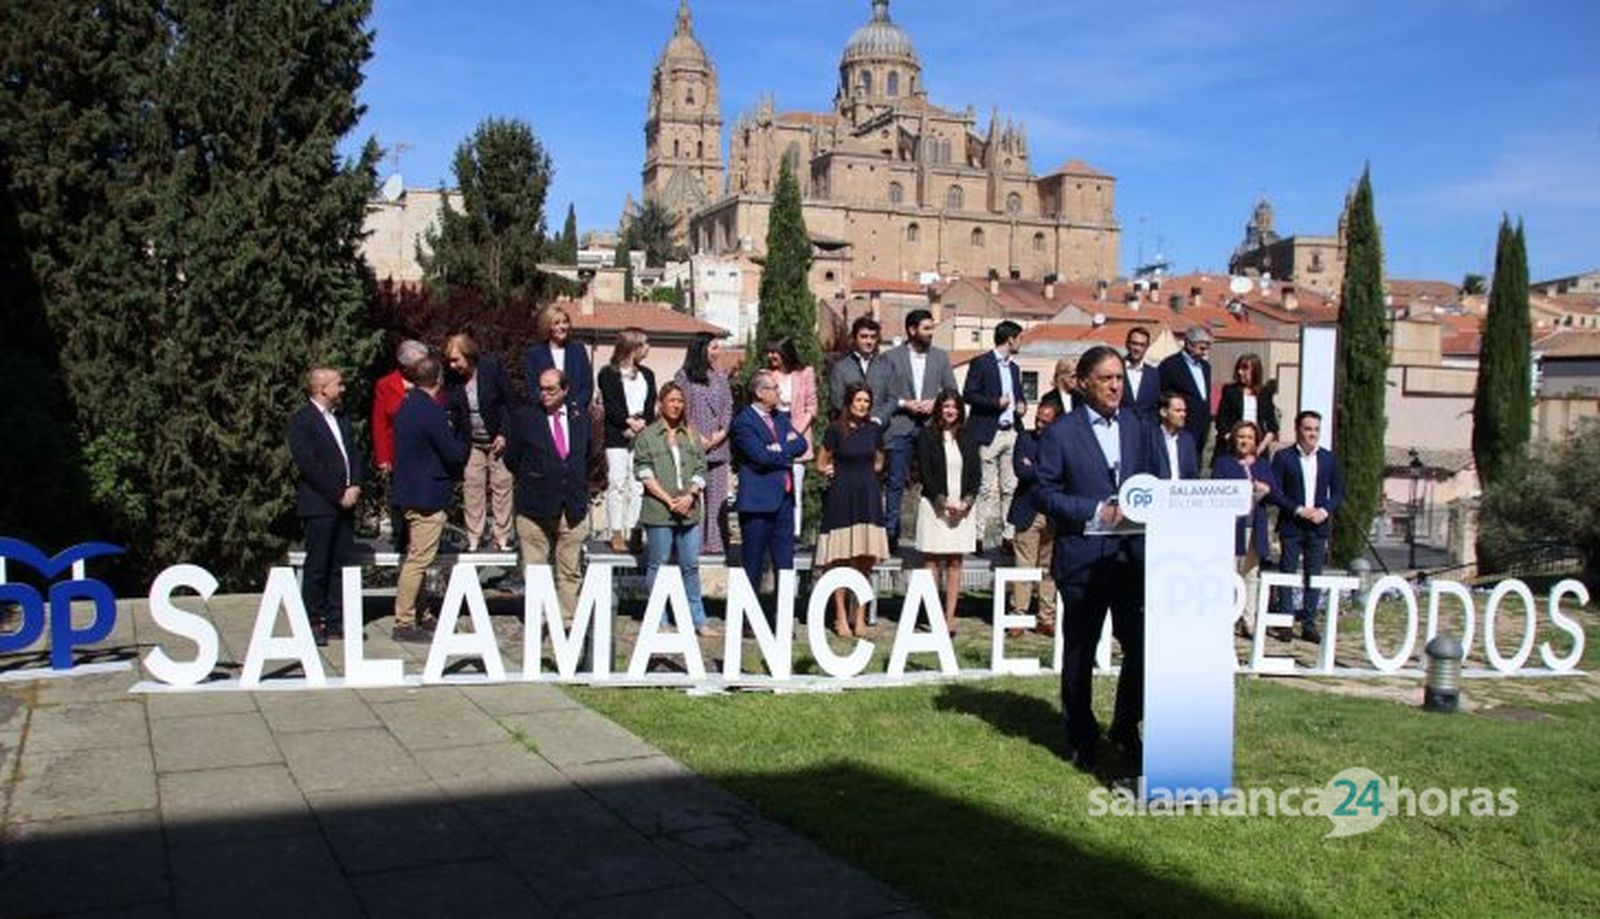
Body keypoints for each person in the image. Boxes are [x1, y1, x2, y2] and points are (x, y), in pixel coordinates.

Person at [1037, 346, 1159, 772]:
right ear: (1084, 382)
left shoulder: (1140, 427)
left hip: (1131, 559)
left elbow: (1157, 482)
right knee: (1080, 650)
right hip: (1083, 560)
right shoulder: (1060, 433)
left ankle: (1126, 727)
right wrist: (1095, 511)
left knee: (1140, 647)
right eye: (1106, 379)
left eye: (1120, 379)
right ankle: (1081, 736)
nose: (1114, 386)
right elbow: (1046, 493)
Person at [504, 368, 597, 618]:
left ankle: (566, 622)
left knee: (569, 570)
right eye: (541, 388)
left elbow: (589, 455)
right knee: (535, 570)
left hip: (572, 505)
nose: (543, 394)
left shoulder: (580, 417)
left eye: (551, 389)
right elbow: (512, 458)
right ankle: (539, 619)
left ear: (565, 390)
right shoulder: (525, 417)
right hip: (534, 505)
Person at [391, 355, 469, 642]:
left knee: (417, 558)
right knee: (418, 560)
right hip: (427, 494)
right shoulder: (432, 412)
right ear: (438, 380)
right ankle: (404, 620)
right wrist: (463, 438)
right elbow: (453, 453)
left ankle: (420, 614)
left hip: (409, 491)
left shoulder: (407, 406)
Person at [289, 367, 364, 646]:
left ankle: (336, 619)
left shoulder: (341, 418)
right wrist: (337, 493)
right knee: (318, 564)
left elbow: (354, 453)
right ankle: (312, 620)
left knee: (340, 564)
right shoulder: (302, 420)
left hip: (346, 504)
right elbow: (309, 465)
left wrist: (355, 484)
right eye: (338, 384)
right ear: (322, 388)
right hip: (320, 504)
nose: (342, 388)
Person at [633, 383, 715, 636]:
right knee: (658, 563)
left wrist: (691, 494)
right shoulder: (647, 435)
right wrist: (668, 500)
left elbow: (702, 469)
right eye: (672, 400)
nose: (677, 405)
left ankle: (698, 620)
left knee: (690, 565)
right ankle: (660, 619)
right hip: (659, 512)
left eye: (680, 400)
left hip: (689, 511)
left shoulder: (691, 434)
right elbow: (643, 471)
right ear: (661, 403)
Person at [874, 309, 957, 551]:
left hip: (931, 427)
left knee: (937, 481)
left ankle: (939, 534)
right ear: (912, 330)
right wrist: (904, 403)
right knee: (896, 482)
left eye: (932, 328)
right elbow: (883, 393)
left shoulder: (941, 357)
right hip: (900, 426)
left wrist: (936, 403)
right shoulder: (891, 357)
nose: (931, 333)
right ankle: (891, 535)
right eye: (927, 328)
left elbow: (951, 390)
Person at [815, 381, 888, 637]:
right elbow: (821, 463)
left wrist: (865, 476)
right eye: (858, 400)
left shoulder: (874, 429)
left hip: (867, 497)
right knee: (840, 560)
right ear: (849, 402)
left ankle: (860, 617)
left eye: (866, 401)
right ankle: (840, 616)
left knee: (864, 561)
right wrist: (831, 470)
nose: (862, 405)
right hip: (842, 497)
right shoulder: (835, 429)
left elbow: (879, 461)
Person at [1268, 410, 1345, 644]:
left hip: (1317, 527)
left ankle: (1309, 624)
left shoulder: (1329, 459)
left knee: (1314, 576)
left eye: (1316, 429)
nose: (1312, 434)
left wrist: (1324, 511)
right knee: (1288, 573)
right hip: (1292, 523)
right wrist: (1298, 509)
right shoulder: (1283, 457)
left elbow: (1339, 492)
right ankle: (1285, 622)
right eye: (1307, 428)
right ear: (1298, 430)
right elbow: (1276, 492)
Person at [731, 371, 809, 597]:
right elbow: (760, 457)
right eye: (774, 388)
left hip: (784, 502)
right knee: (753, 565)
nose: (779, 393)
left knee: (785, 565)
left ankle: (781, 621)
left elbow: (802, 444)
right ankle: (748, 620)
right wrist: (785, 449)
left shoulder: (780, 418)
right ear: (760, 393)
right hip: (758, 504)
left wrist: (777, 449)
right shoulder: (743, 422)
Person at [915, 389, 981, 635]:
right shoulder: (927, 436)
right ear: (939, 409)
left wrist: (966, 502)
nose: (950, 410)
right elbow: (926, 473)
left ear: (960, 410)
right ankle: (932, 614)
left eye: (954, 406)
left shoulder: (968, 436)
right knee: (931, 560)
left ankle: (949, 617)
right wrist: (942, 502)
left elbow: (975, 474)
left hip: (962, 509)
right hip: (934, 506)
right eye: (945, 406)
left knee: (955, 561)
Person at [444, 333, 516, 552]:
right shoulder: (452, 378)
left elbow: (508, 403)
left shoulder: (491, 368)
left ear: (469, 355)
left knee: (502, 485)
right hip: (472, 441)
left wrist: (504, 433)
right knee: (472, 486)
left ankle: (502, 537)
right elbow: (454, 412)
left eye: (456, 359)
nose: (452, 364)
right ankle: (474, 537)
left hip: (497, 438)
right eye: (449, 360)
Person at [963, 319, 1025, 549]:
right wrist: (994, 402)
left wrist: (1021, 406)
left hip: (1011, 433)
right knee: (985, 487)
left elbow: (1019, 396)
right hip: (989, 433)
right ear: (1010, 339)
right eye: (1019, 338)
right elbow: (968, 394)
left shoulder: (1015, 368)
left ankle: (1008, 536)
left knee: (1010, 486)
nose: (1021, 343)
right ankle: (978, 536)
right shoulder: (982, 363)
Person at [1213, 420, 1278, 640]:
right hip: (1232, 527)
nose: (1245, 441)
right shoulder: (1223, 463)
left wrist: (1266, 489)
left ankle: (1249, 621)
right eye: (1241, 436)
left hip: (1255, 526)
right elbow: (1217, 491)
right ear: (1234, 439)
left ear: (1256, 441)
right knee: (1230, 573)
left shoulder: (1262, 465)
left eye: (1249, 437)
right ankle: (1228, 617)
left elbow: (1275, 493)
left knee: (1251, 574)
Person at [597, 328, 656, 553]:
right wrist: (627, 423)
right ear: (633, 347)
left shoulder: (647, 374)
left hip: (642, 433)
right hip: (617, 435)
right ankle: (617, 532)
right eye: (645, 343)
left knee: (638, 483)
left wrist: (642, 424)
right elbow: (610, 404)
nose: (648, 348)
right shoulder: (608, 374)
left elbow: (651, 404)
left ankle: (635, 530)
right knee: (617, 482)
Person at [674, 332, 734, 557]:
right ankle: (692, 545)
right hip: (692, 444)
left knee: (717, 498)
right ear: (701, 349)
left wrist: (722, 433)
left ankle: (716, 544)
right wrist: (695, 436)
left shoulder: (720, 377)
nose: (718, 352)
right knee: (692, 495)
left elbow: (729, 406)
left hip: (719, 445)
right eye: (714, 347)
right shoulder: (683, 376)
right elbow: (679, 408)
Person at [1006, 398, 1060, 638]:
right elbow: (1021, 471)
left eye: (1046, 422)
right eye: (1038, 419)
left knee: (1050, 569)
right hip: (1027, 511)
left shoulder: (1062, 444)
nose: (1039, 425)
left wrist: (1035, 468)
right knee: (1023, 567)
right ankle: (1018, 616)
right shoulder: (1024, 438)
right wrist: (1044, 472)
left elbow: (1061, 475)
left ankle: (1046, 618)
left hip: (1053, 514)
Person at [372, 339, 428, 550]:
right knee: (400, 498)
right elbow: (379, 422)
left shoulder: (430, 381)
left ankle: (424, 540)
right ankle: (400, 539)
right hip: (398, 452)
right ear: (405, 366)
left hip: (424, 452)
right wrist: (383, 458)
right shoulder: (385, 385)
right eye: (418, 364)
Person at [763, 336, 817, 538]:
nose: (771, 356)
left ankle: (795, 532)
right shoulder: (767, 375)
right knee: (776, 486)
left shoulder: (805, 373)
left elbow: (812, 406)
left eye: (774, 352)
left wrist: (796, 433)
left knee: (796, 486)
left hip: (797, 433)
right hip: (774, 433)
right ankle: (775, 528)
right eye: (769, 352)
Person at [1157, 326, 1214, 467]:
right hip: (1180, 426)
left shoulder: (1206, 367)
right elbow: (1162, 395)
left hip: (1202, 427)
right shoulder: (1170, 365)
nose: (1204, 353)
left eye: (1207, 349)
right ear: (1189, 344)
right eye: (1201, 348)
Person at [524, 304, 594, 410]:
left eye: (565, 322)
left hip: (575, 414)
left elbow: (587, 385)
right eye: (556, 323)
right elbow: (532, 387)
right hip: (545, 414)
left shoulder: (578, 350)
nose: (562, 326)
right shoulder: (535, 354)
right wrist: (548, 404)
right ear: (547, 326)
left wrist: (575, 406)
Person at [1214, 352, 1279, 463]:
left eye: (1245, 369)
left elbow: (1272, 427)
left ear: (1255, 371)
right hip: (1231, 450)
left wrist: (1259, 449)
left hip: (1257, 451)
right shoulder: (1230, 391)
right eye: (1239, 368)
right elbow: (1221, 422)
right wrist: (1234, 443)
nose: (1240, 372)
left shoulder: (1265, 393)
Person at [828, 316, 882, 415]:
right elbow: (837, 400)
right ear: (854, 338)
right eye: (864, 336)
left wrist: (879, 419)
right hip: (850, 425)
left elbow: (891, 399)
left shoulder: (885, 366)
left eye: (873, 337)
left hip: (879, 426)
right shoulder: (840, 368)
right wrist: (856, 417)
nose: (869, 342)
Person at [1153, 390, 1200, 480]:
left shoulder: (1187, 440)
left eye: (1184, 411)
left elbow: (1192, 474)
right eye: (1178, 411)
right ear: (1163, 412)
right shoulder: (1152, 438)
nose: (1183, 414)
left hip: (1181, 491)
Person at [1121, 326, 1159, 418]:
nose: (1137, 348)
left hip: (1146, 429)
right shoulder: (1116, 369)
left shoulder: (1154, 374)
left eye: (1142, 345)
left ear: (1147, 347)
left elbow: (1155, 406)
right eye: (1134, 343)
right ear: (1127, 344)